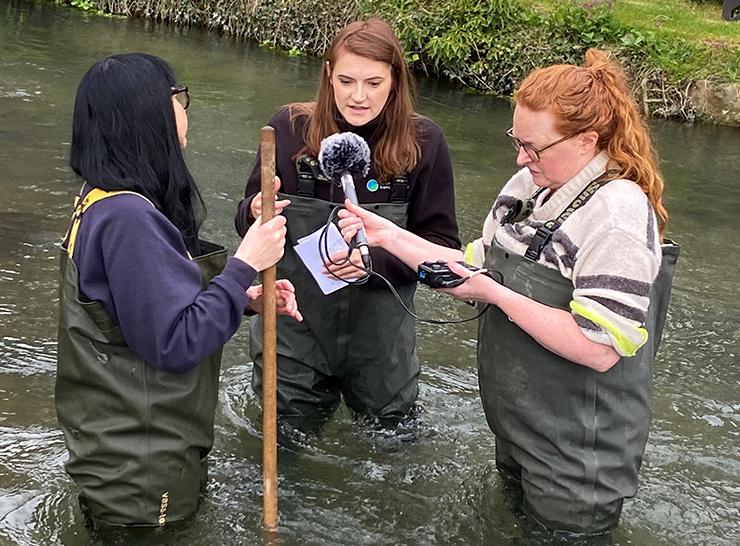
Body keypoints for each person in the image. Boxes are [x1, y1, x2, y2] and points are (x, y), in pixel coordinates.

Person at [338, 49, 679, 537]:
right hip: (519, 432)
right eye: (517, 141)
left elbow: (598, 347)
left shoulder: (618, 214)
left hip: (578, 459)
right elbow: (472, 269)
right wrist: (387, 235)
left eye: (535, 147)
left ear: (588, 140)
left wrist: (495, 294)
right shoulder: (528, 186)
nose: (521, 158)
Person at [56, 53, 302, 528]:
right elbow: (175, 341)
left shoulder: (101, 200)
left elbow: (139, 311)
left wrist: (242, 297)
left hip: (118, 456)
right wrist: (246, 262)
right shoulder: (129, 218)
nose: (184, 109)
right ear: (148, 115)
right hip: (144, 472)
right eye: (177, 98)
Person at [234, 18, 460, 430]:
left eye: (374, 83)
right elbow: (245, 222)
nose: (359, 97)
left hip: (380, 342)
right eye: (347, 80)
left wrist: (374, 265)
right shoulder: (287, 129)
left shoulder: (425, 143)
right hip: (295, 335)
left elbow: (442, 246)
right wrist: (254, 209)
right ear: (328, 75)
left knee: (391, 447)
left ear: (395, 80)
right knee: (285, 440)